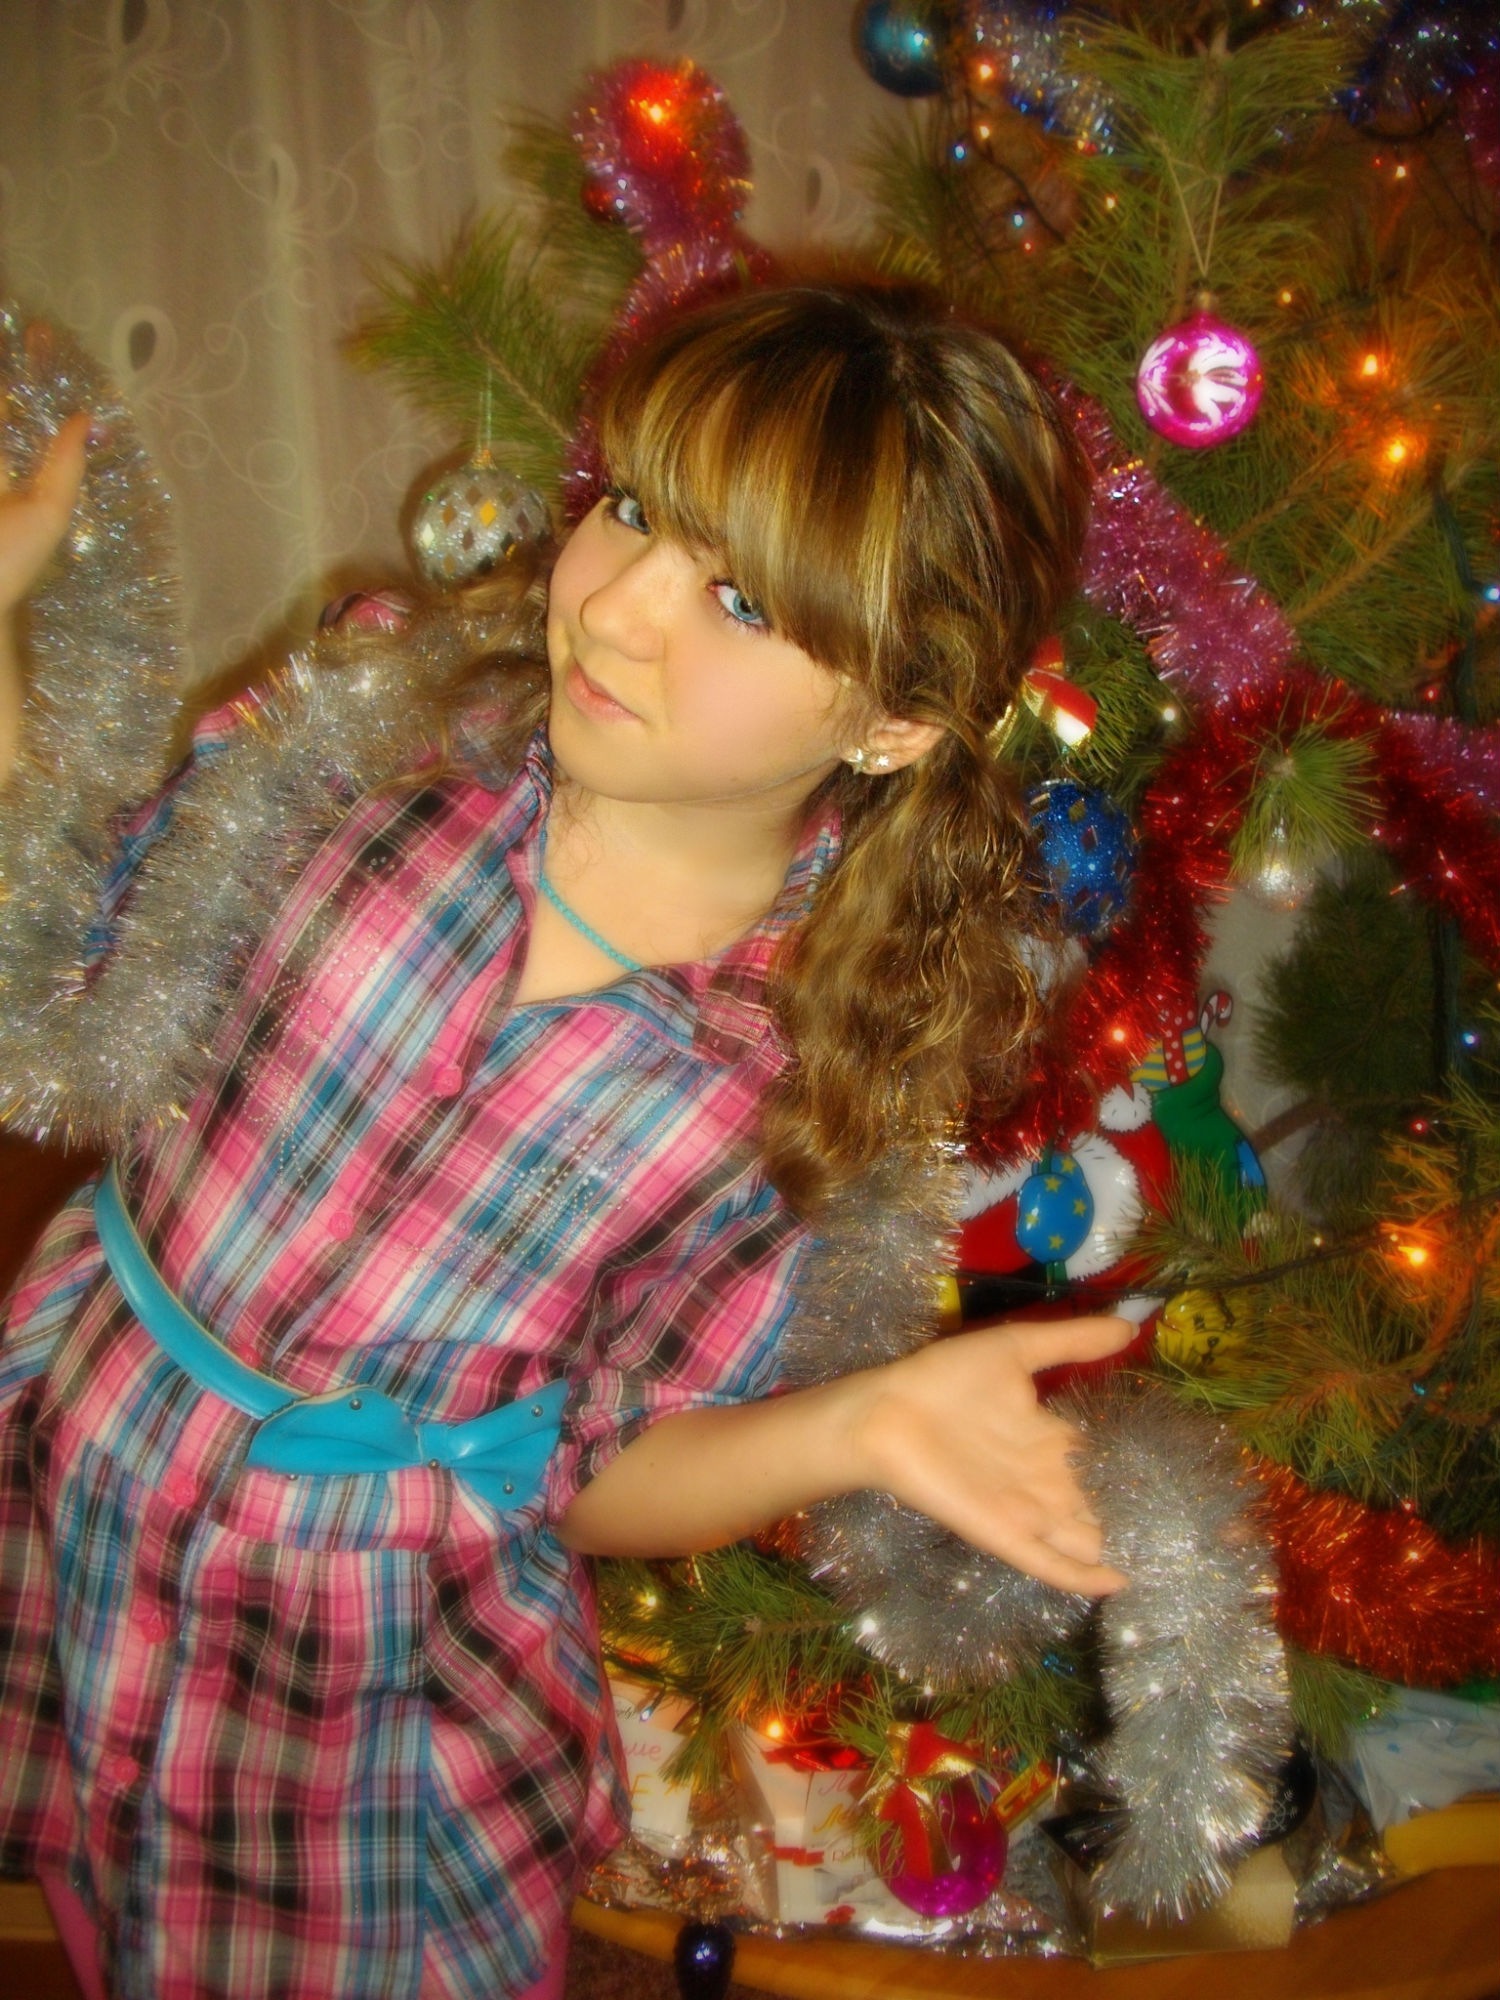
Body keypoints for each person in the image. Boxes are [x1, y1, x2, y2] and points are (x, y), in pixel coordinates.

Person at [0, 280, 1129, 2000]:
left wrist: (861, 1424)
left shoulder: (798, 1083)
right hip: (77, 1446)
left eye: (741, 600)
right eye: (636, 510)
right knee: (99, 1890)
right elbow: (81, 963)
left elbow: (602, 1468)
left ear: (894, 717)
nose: (614, 606)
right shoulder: (384, 733)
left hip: (346, 1670)